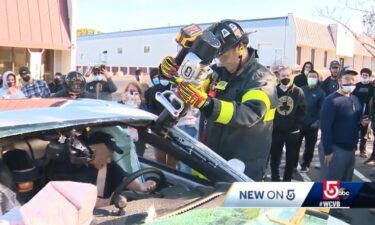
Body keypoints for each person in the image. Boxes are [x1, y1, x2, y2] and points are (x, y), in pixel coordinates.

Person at [159, 20, 278, 181]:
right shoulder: (218, 73)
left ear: (240, 48)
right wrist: (172, 73)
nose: (218, 58)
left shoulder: (262, 79)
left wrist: (207, 104)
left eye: (222, 53)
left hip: (241, 170)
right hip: (212, 163)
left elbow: (250, 113)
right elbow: (191, 90)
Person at [45, 131, 156, 205]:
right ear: (92, 150)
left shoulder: (109, 166)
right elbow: (70, 201)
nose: (108, 160)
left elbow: (124, 178)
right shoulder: (68, 169)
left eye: (110, 156)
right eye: (106, 155)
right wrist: (108, 201)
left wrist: (141, 186)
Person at [318, 67, 362, 181]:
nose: (350, 82)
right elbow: (325, 128)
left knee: (346, 186)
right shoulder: (331, 101)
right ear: (340, 81)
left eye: (353, 79)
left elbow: (355, 120)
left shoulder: (355, 99)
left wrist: (362, 122)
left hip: (350, 150)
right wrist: (328, 151)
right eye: (347, 79)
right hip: (335, 150)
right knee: (332, 188)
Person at [270, 67, 306, 181]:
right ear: (278, 77)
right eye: (283, 76)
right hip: (277, 131)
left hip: (292, 132)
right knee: (275, 157)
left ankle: (287, 180)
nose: (285, 78)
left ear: (291, 76)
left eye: (287, 76)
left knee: (291, 158)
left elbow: (303, 109)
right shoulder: (274, 91)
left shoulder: (297, 91)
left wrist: (297, 124)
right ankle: (275, 179)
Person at [296, 70, 325, 172]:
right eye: (310, 76)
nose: (312, 78)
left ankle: (306, 164)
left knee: (310, 146)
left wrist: (317, 122)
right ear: (307, 78)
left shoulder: (320, 93)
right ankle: (294, 163)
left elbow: (322, 109)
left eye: (314, 76)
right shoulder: (302, 89)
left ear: (317, 79)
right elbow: (296, 105)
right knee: (295, 144)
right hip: (300, 124)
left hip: (312, 125)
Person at [352, 68, 374, 158]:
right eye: (363, 75)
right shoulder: (356, 86)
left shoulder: (372, 88)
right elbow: (352, 98)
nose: (364, 77)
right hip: (356, 112)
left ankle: (362, 150)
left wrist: (370, 114)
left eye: (366, 75)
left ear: (369, 77)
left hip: (367, 113)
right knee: (354, 132)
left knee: (364, 134)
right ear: (361, 75)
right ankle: (353, 148)